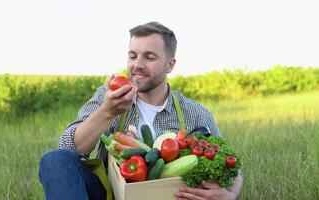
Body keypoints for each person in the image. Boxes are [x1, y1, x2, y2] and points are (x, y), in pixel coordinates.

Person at [39, 21, 243, 200]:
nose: (137, 65)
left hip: (170, 197)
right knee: (54, 160)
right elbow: (68, 148)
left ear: (170, 65)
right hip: (109, 194)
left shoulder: (196, 114)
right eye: (133, 55)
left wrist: (231, 192)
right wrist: (107, 112)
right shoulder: (108, 96)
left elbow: (231, 166)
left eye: (149, 57)